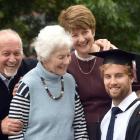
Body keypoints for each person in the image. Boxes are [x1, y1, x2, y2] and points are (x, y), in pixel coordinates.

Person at [8, 25, 89, 140]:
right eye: (61, 57)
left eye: (68, 55)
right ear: (45, 57)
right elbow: (15, 133)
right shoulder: (28, 84)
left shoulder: (70, 81)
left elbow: (80, 126)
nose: (67, 61)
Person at [58, 4, 117, 140]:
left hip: (114, 126)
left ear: (93, 31)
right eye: (74, 35)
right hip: (80, 131)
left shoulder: (110, 54)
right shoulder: (65, 63)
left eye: (85, 32)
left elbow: (135, 88)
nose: (81, 39)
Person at [90, 49, 140, 140]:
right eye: (108, 76)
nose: (112, 82)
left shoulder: (137, 115)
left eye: (119, 76)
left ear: (132, 77)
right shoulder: (105, 119)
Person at [0, 29, 37, 140]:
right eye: (6, 54)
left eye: (17, 53)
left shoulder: (33, 69)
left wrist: (36, 89)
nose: (12, 60)